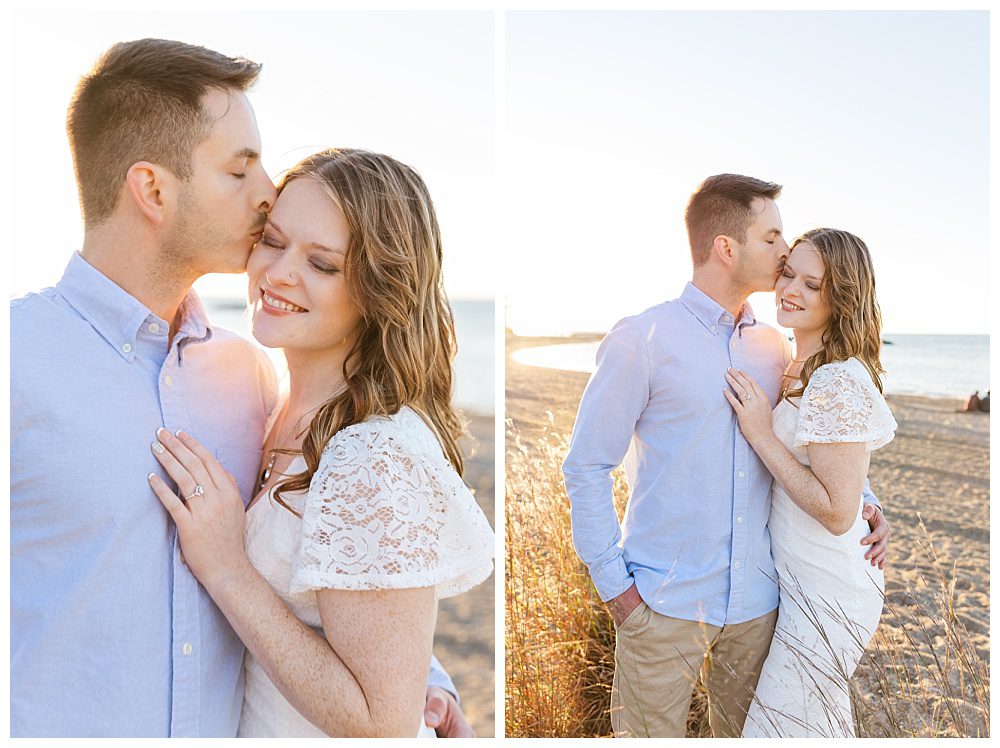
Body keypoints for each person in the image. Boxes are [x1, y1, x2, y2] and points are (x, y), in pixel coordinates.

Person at [11, 38, 473, 738]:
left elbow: (332, 566)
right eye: (240, 169)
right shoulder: (17, 358)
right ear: (153, 189)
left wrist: (420, 674)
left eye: (319, 259)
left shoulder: (249, 375)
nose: (267, 194)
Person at [147, 148, 495, 738]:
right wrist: (428, 673)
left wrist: (228, 568)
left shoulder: (370, 455)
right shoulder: (273, 401)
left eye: (323, 264)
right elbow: (348, 610)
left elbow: (382, 723)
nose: (279, 273)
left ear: (381, 289)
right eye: (274, 241)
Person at [562, 174, 890, 738]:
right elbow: (586, 466)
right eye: (772, 238)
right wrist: (618, 592)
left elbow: (814, 438)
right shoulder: (643, 338)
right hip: (662, 604)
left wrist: (863, 498)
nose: (784, 251)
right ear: (726, 248)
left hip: (759, 609)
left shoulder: (774, 346)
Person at [726, 228, 897, 737]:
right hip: (800, 581)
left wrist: (760, 433)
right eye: (788, 273)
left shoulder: (834, 379)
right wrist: (870, 500)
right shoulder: (799, 363)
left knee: (780, 729)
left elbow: (836, 510)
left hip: (829, 586)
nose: (790, 290)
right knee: (811, 724)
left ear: (841, 297)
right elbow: (840, 470)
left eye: (812, 284)